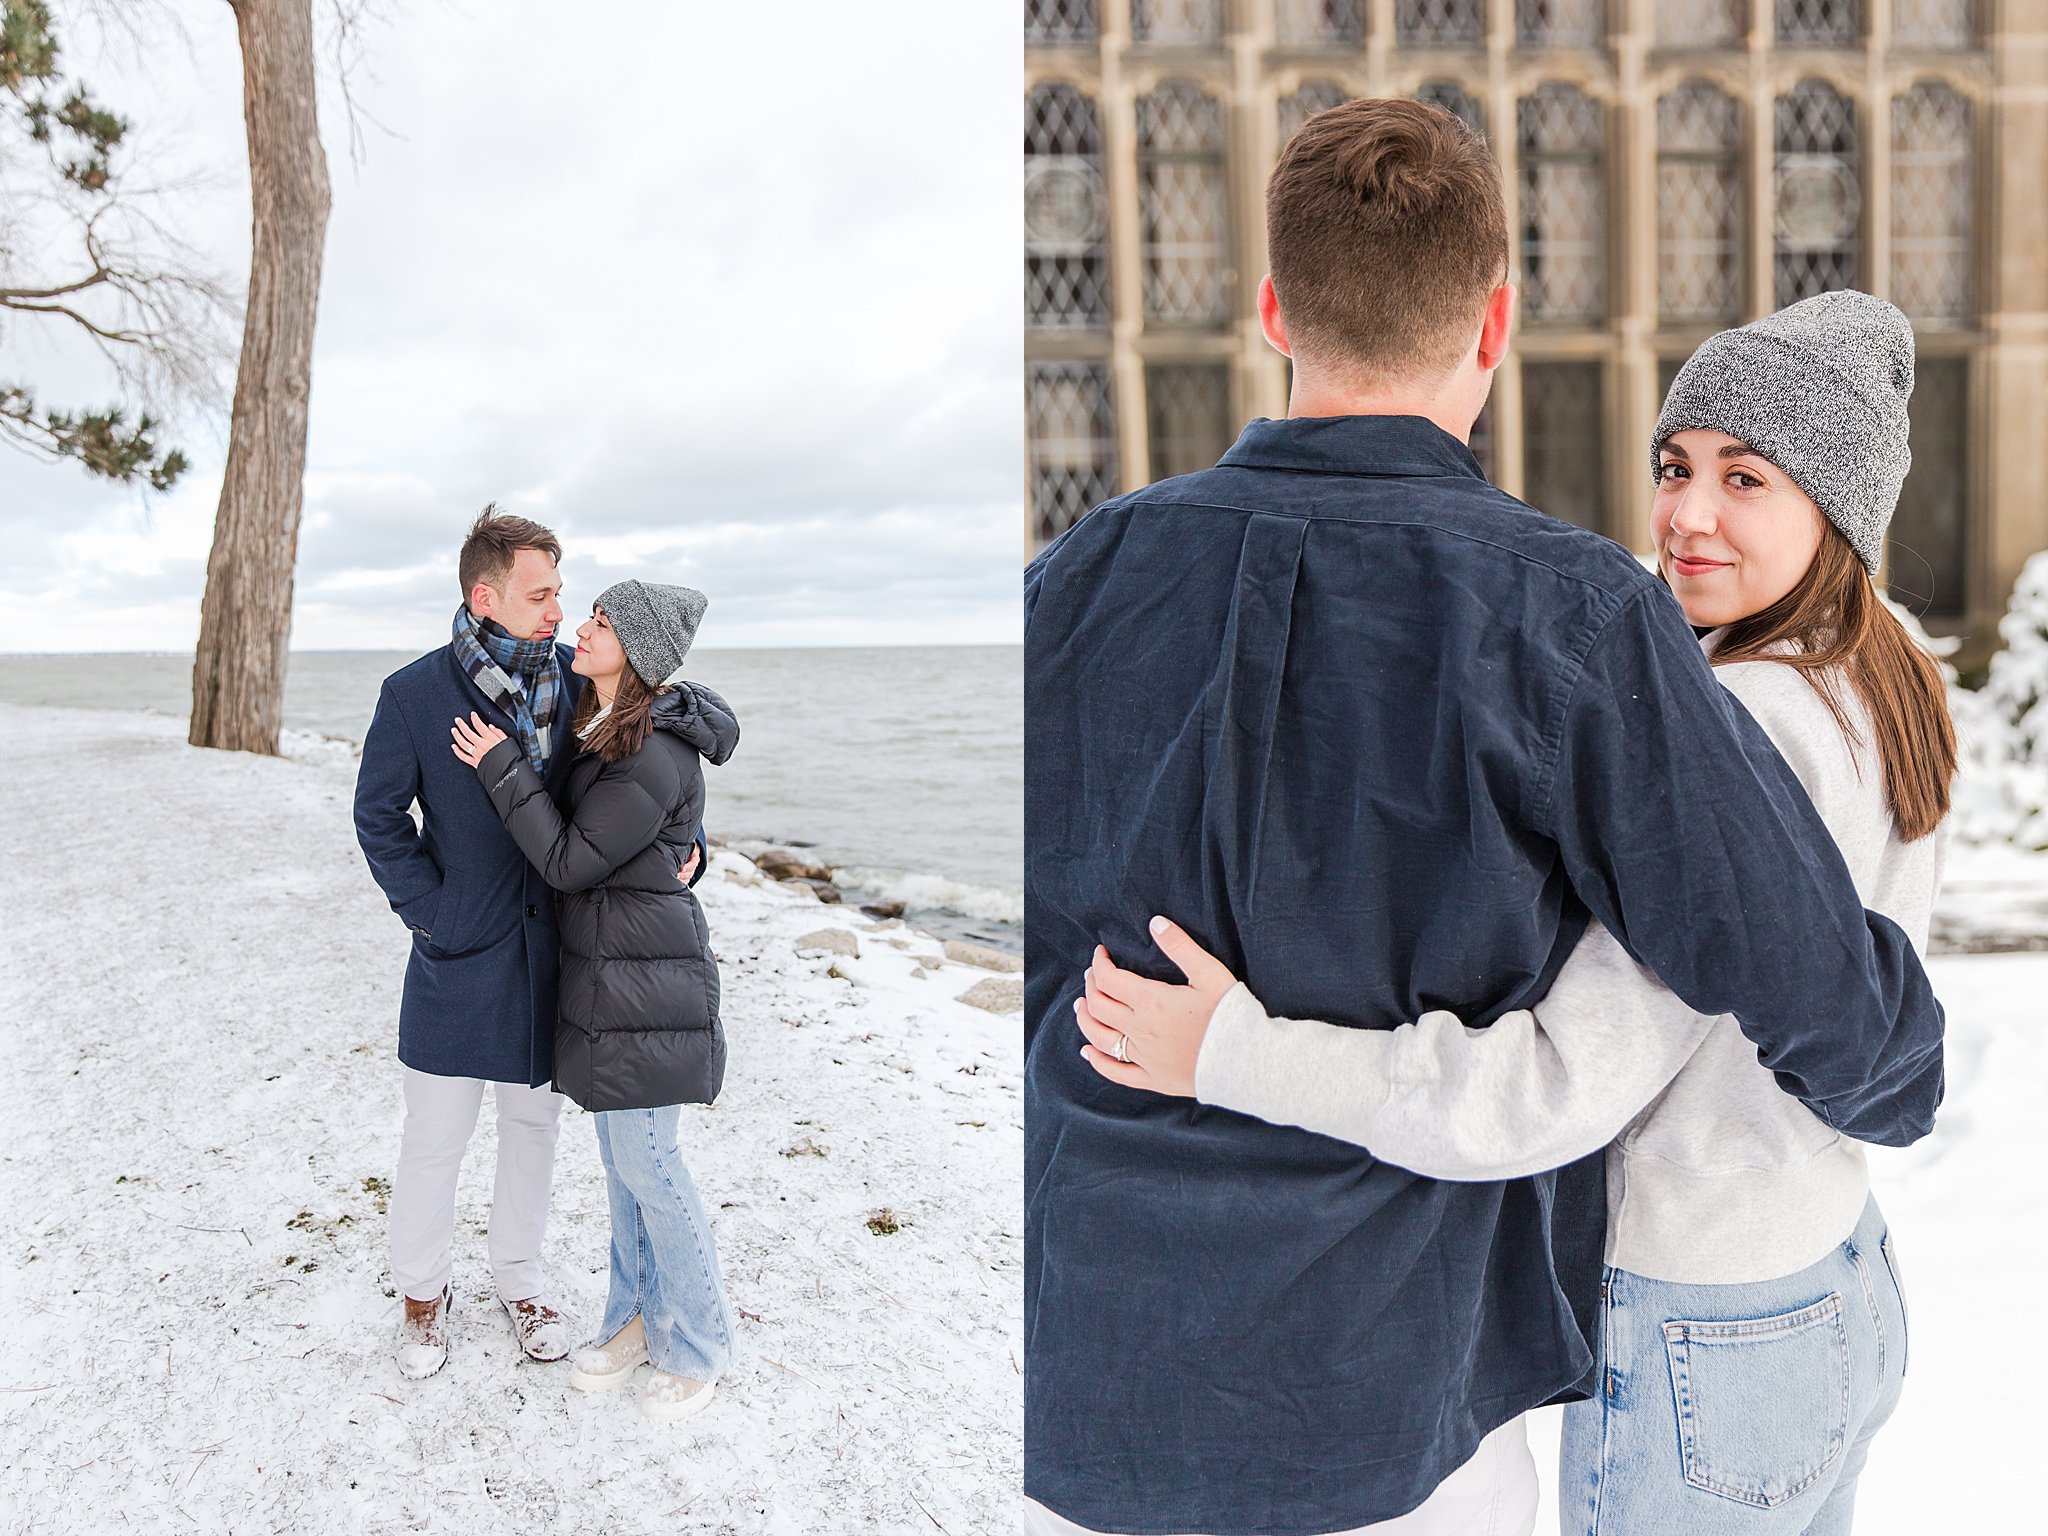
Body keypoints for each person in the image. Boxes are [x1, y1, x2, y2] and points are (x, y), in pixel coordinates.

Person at [1021, 98, 1944, 1536]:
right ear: (1496, 325)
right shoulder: (1574, 617)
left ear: (1273, 307)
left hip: (1097, 1365)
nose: (1693, 510)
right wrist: (1899, 1082)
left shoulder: (1077, 574)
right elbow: (1794, 961)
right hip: (1389, 1401)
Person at [450, 578, 739, 1423]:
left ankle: (701, 1342)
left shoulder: (646, 749)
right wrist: (691, 843)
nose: (583, 626)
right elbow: (651, 830)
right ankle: (637, 1320)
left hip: (646, 981)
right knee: (625, 1169)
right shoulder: (604, 721)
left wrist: (500, 766)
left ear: (639, 652)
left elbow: (573, 859)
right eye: (591, 613)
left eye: (604, 622)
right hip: (614, 974)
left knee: (652, 1165)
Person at [354, 509, 584, 1379]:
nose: (560, 608)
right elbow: (378, 816)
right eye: (542, 593)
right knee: (434, 1138)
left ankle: (518, 1278)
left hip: (553, 957)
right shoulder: (414, 694)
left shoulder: (581, 679)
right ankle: (421, 1295)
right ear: (486, 597)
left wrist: (694, 848)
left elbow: (641, 777)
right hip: (456, 957)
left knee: (533, 1133)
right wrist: (433, 912)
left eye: (560, 589)